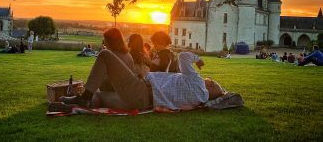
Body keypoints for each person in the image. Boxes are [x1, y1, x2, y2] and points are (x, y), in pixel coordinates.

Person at [51, 51, 225, 111]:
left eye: (211, 81)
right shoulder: (199, 100)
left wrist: (198, 59)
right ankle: (79, 103)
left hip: (141, 91)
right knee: (101, 96)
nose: (208, 79)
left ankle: (84, 97)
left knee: (105, 56)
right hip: (141, 103)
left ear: (210, 85)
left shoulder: (197, 83)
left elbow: (184, 56)